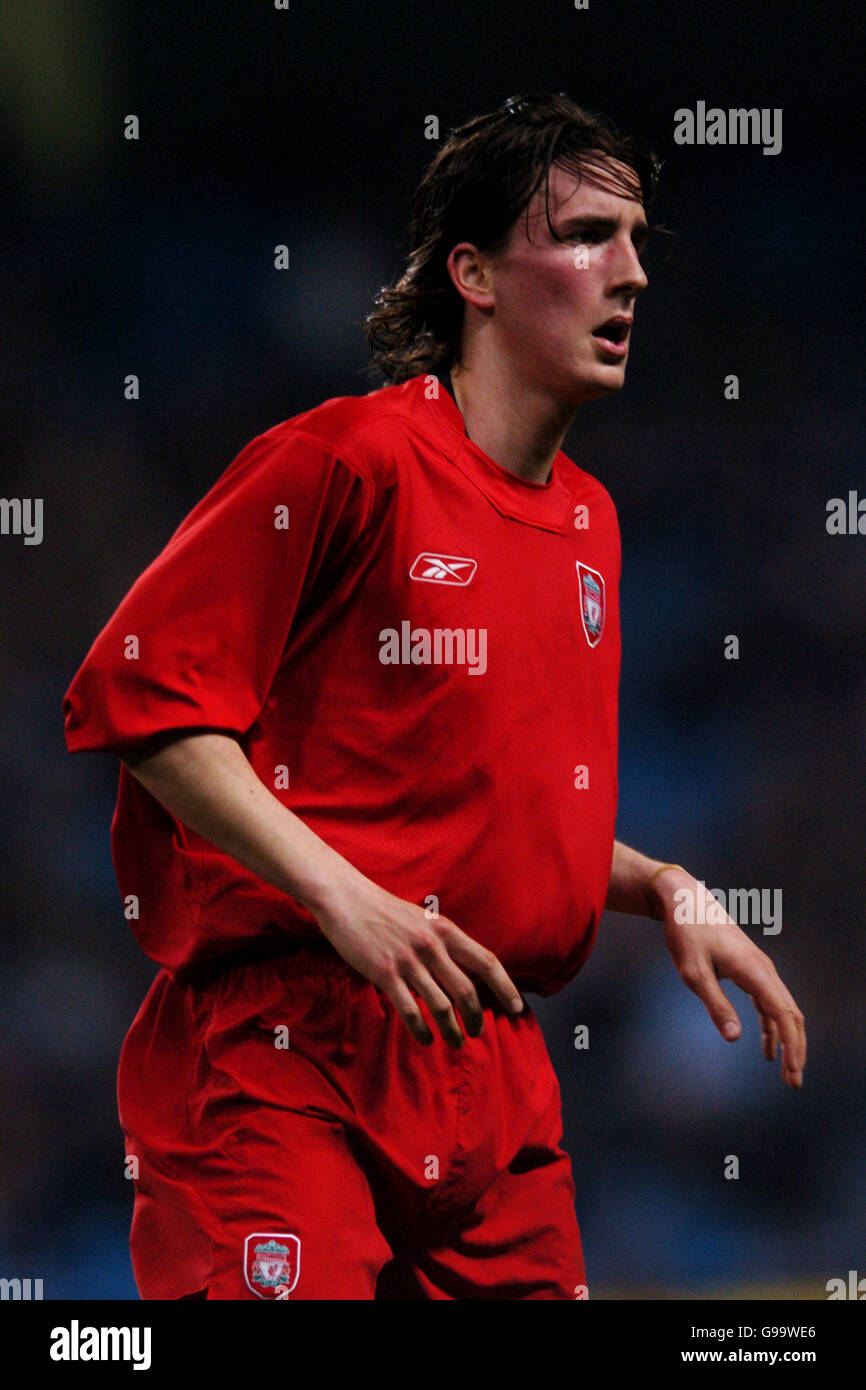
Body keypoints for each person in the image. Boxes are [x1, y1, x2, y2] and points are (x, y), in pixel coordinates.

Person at [62, 92, 806, 1301]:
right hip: (287, 1051)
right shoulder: (343, 462)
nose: (628, 276)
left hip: (490, 1067)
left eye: (636, 242)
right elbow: (145, 702)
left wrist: (664, 883)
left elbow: (482, 803)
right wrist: (337, 893)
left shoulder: (588, 525)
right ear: (472, 273)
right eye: (582, 236)